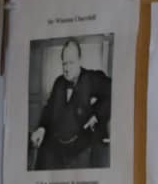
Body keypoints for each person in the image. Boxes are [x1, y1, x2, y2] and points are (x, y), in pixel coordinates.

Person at [30, 39, 111, 170]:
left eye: (71, 63)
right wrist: (41, 128)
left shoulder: (92, 78)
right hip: (57, 147)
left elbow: (113, 91)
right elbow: (49, 109)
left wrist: (97, 115)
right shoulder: (59, 82)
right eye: (64, 64)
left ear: (79, 60)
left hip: (82, 150)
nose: (67, 69)